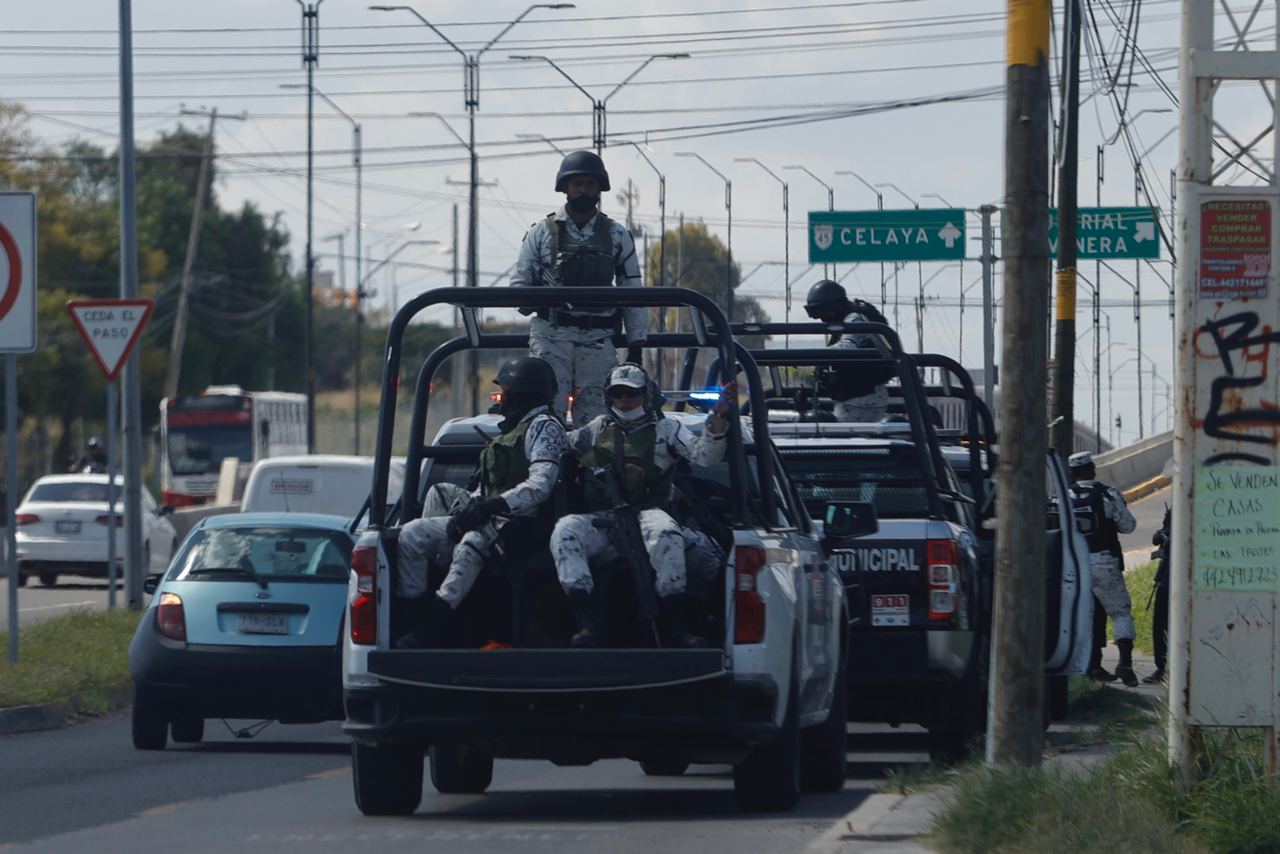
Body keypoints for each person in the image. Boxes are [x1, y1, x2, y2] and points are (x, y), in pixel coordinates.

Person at [550, 363, 735, 648]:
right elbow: (559, 446)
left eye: (631, 394)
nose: (624, 400)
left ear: (646, 394)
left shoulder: (667, 429)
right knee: (565, 531)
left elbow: (704, 457)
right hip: (604, 518)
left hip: (648, 515)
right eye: (617, 394)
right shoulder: (597, 428)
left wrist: (718, 419)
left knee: (668, 534)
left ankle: (676, 627)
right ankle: (587, 624)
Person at [395, 357, 567, 648]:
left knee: (472, 540)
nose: (500, 400)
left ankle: (433, 624)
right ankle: (414, 611)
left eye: (504, 393)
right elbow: (484, 485)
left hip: (522, 523)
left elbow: (542, 484)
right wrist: (474, 504)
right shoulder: (513, 428)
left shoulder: (544, 427)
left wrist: (491, 506)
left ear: (522, 393)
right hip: (490, 514)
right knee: (414, 530)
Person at [510, 150, 647, 426]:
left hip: (597, 337)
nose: (584, 190)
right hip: (552, 336)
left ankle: (589, 470)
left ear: (599, 188)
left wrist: (636, 344)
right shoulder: (541, 233)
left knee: (597, 421)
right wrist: (535, 299)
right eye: (577, 184)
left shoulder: (617, 235)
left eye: (589, 184)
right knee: (547, 414)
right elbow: (519, 286)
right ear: (565, 188)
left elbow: (632, 290)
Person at [1068, 451, 1140, 686]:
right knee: (1119, 613)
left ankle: (1092, 666)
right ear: (1092, 469)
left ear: (1072, 473)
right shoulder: (1107, 494)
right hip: (1104, 563)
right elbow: (1128, 526)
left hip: (1073, 565)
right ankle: (1125, 663)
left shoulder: (1061, 497)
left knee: (1085, 616)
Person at [803, 279, 894, 422]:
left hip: (860, 400)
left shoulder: (855, 319)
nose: (824, 320)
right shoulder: (860, 314)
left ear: (837, 306)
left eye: (826, 314)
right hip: (865, 397)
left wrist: (810, 358)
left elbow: (847, 347)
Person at [1145, 505, 1171, 684]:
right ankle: (1161, 666)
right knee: (1160, 625)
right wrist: (1164, 535)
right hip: (1167, 576)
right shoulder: (1174, 513)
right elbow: (1158, 537)